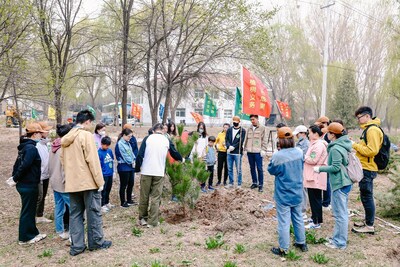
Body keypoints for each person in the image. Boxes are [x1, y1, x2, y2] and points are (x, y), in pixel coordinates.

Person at [61, 110, 111, 256]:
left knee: (75, 214)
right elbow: (93, 161)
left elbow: (63, 162)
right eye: (92, 123)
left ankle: (77, 246)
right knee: (93, 212)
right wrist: (99, 181)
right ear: (87, 121)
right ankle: (96, 242)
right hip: (88, 182)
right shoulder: (86, 136)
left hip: (72, 183)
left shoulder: (66, 138)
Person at [268, 127, 307, 256]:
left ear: (280, 140)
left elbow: (271, 170)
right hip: (297, 191)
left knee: (284, 221)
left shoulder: (278, 156)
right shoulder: (299, 152)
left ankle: (283, 248)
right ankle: (301, 242)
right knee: (298, 217)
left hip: (283, 193)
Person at [135, 123, 183, 227]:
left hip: (146, 171)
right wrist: (181, 159)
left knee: (144, 196)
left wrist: (137, 168)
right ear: (163, 131)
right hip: (159, 172)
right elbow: (174, 152)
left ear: (153, 131)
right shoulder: (166, 140)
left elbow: (139, 155)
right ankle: (152, 222)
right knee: (155, 197)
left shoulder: (147, 138)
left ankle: (143, 218)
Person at [314, 122, 353, 249]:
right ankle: (337, 238)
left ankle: (340, 242)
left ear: (333, 135)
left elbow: (335, 167)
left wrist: (320, 169)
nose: (326, 135)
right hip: (345, 182)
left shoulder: (336, 148)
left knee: (340, 215)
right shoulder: (342, 144)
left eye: (328, 133)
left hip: (340, 184)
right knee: (340, 213)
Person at [8, 123, 47, 245]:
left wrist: (14, 177)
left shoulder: (25, 146)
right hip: (28, 185)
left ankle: (33, 233)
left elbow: (17, 164)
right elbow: (24, 166)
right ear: (35, 134)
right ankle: (25, 238)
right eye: (40, 133)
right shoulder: (31, 149)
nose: (41, 135)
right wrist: (15, 178)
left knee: (30, 211)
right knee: (27, 211)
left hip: (27, 184)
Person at [351, 106, 383, 235]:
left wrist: (354, 145)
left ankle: (369, 226)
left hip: (368, 168)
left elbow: (372, 151)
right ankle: (367, 221)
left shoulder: (372, 130)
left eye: (359, 117)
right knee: (365, 196)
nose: (358, 120)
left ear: (367, 116)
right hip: (364, 167)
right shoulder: (368, 129)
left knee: (367, 196)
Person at [49, 123, 73, 240]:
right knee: (73, 208)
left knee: (58, 207)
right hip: (63, 183)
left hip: (54, 181)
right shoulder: (64, 148)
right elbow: (65, 168)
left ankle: (59, 230)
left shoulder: (53, 146)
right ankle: (73, 231)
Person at [303, 125, 328, 229]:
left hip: (315, 175)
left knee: (315, 198)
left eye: (310, 132)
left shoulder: (318, 145)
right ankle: (315, 217)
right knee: (314, 198)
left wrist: (304, 156)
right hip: (313, 174)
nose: (308, 135)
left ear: (315, 134)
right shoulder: (314, 144)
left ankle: (316, 222)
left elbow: (313, 160)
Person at [243, 114, 268, 192]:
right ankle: (254, 182)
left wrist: (263, 149)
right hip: (250, 152)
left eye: (253, 119)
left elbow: (265, 139)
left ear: (257, 119)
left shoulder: (262, 128)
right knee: (252, 168)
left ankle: (261, 185)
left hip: (258, 152)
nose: (252, 121)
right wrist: (244, 149)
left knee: (259, 168)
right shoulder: (249, 128)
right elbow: (246, 139)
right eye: (251, 120)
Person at [36, 121, 53, 224]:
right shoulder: (37, 145)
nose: (48, 132)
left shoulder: (46, 143)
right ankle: (34, 215)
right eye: (46, 130)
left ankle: (40, 215)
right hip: (39, 176)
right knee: (39, 196)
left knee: (43, 196)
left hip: (46, 174)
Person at [293, 125, 310, 220]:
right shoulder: (299, 143)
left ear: (303, 134)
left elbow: (302, 157)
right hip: (299, 169)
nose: (296, 136)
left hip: (303, 169)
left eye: (298, 134)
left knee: (303, 189)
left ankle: (303, 210)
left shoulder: (306, 144)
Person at [115, 128, 136, 208]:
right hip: (124, 167)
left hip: (130, 167)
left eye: (131, 136)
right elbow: (125, 156)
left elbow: (131, 153)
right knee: (124, 185)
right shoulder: (120, 144)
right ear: (124, 135)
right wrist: (132, 161)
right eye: (129, 136)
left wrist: (134, 159)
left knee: (131, 183)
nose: (130, 138)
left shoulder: (127, 143)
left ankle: (129, 199)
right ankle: (123, 202)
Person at [315, 116, 332, 210]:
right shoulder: (325, 134)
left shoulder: (328, 135)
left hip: (327, 162)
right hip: (325, 161)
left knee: (327, 182)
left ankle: (326, 202)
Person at [225, 116, 246, 188]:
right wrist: (228, 146)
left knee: (238, 169)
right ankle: (231, 182)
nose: (235, 123)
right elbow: (226, 139)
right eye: (234, 122)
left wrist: (234, 146)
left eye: (236, 122)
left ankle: (239, 183)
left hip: (237, 152)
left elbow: (241, 141)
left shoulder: (242, 131)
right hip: (229, 153)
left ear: (239, 122)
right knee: (230, 168)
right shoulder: (229, 130)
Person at [98, 136, 115, 213]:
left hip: (110, 173)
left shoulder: (109, 151)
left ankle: (107, 202)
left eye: (108, 145)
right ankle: (102, 205)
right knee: (103, 190)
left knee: (108, 188)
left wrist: (113, 171)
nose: (107, 147)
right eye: (106, 145)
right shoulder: (99, 153)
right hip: (103, 174)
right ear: (102, 144)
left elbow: (112, 160)